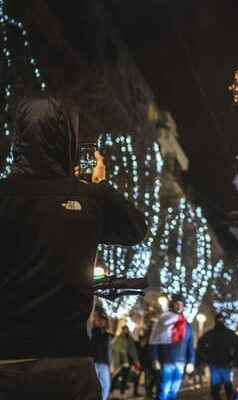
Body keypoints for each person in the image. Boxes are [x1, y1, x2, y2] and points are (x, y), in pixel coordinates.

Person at [0, 95, 147, 399]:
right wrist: (96, 185)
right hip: (68, 364)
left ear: (20, 138)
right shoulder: (89, 199)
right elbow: (136, 229)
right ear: (68, 139)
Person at [149, 294, 196, 400]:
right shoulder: (163, 322)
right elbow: (154, 341)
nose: (179, 306)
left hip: (180, 362)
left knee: (174, 391)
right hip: (166, 360)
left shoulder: (187, 326)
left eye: (181, 304)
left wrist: (191, 361)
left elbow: (190, 345)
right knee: (163, 390)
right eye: (177, 304)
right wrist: (155, 359)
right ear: (172, 305)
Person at [197, 313, 238, 400]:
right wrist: (234, 359)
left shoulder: (210, 334)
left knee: (216, 385)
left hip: (215, 363)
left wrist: (204, 358)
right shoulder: (230, 333)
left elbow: (200, 345)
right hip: (225, 362)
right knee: (226, 384)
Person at [112, 325, 140, 398]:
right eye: (125, 329)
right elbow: (116, 350)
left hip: (128, 361)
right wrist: (117, 363)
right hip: (120, 361)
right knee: (116, 377)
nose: (126, 331)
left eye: (127, 329)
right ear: (122, 330)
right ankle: (111, 392)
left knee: (125, 377)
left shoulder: (130, 339)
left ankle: (122, 393)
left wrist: (136, 360)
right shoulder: (119, 338)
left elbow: (133, 351)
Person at [91, 313, 113, 400]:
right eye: (101, 320)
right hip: (94, 362)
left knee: (106, 385)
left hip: (104, 362)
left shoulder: (108, 335)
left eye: (104, 321)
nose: (102, 322)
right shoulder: (93, 331)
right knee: (94, 385)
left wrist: (111, 364)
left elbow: (109, 350)